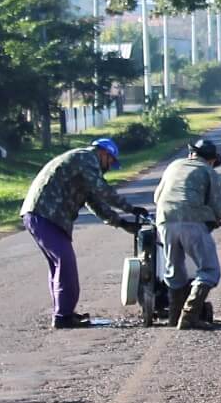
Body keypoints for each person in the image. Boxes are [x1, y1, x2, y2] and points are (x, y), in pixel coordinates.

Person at [20, 136, 143, 328]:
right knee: (65, 263)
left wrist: (121, 223)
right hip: (45, 214)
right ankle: (63, 316)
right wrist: (130, 208)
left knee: (59, 265)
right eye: (110, 161)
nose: (109, 167)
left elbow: (95, 201)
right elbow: (102, 189)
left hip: (45, 216)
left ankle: (63, 313)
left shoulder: (84, 166)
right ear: (103, 153)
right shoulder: (86, 158)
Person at [154, 136, 221, 329]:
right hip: (192, 221)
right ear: (211, 159)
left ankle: (174, 317)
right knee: (209, 270)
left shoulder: (174, 165)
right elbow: (217, 205)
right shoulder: (208, 171)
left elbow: (157, 196)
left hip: (164, 220)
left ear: (191, 153)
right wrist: (215, 220)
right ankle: (190, 315)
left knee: (174, 271)